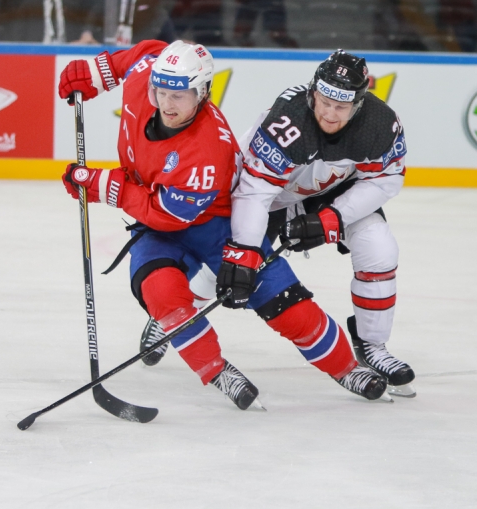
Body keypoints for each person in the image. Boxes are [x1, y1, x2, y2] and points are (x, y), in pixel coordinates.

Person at [57, 39, 388, 410]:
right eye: (161, 91)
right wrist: (98, 73)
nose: (167, 103)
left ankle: (345, 368)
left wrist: (101, 185)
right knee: (161, 292)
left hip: (218, 226)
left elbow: (167, 213)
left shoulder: (207, 149)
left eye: (179, 96)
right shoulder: (144, 79)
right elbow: (148, 51)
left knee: (285, 302)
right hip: (158, 226)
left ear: (202, 93)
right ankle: (217, 371)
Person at [219, 49, 417, 397]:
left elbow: (387, 179)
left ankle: (372, 345)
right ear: (313, 91)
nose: (329, 113)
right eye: (323, 101)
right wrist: (245, 249)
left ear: (358, 104)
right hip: (272, 196)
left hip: (332, 192)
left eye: (340, 107)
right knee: (222, 267)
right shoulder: (287, 121)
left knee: (379, 249)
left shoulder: (379, 123)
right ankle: (167, 322)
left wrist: (333, 217)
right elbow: (254, 191)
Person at [77, 0, 176, 46]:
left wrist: (175, 41)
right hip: (108, 43)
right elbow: (94, 12)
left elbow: (161, 19)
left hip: (136, 44)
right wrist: (87, 32)